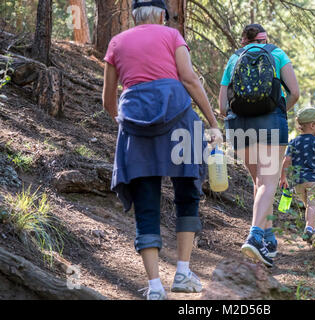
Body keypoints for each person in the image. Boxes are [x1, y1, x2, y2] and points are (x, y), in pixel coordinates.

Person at [102, 0, 221, 300]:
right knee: (187, 193)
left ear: (135, 15)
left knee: (146, 205)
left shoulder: (116, 42)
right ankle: (182, 272)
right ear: (160, 15)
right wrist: (212, 122)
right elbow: (189, 78)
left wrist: (125, 122)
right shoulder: (171, 36)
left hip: (135, 127)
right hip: (180, 119)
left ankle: (155, 287)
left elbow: (107, 100)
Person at [218, 24, 300, 267]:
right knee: (268, 181)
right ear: (264, 39)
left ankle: (267, 237)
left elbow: (223, 107)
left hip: (238, 124)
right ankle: (255, 235)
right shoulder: (276, 54)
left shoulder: (234, 58)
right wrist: (279, 112)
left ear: (243, 40)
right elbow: (294, 92)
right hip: (271, 121)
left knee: (260, 182)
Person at [279, 107, 315, 243]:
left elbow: (286, 160)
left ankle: (309, 227)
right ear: (312, 125)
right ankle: (310, 228)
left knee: (308, 205)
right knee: (312, 205)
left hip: (298, 182)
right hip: (313, 180)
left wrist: (283, 178)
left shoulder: (294, 142)